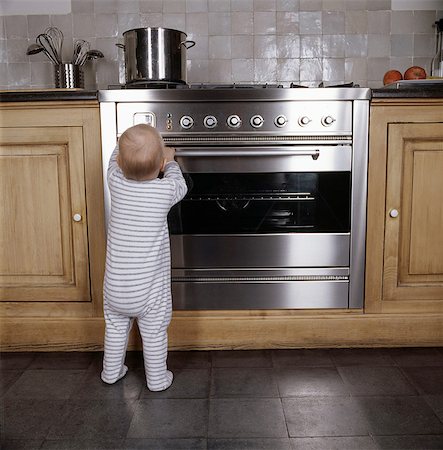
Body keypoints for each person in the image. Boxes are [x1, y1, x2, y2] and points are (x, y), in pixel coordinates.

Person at [101, 123, 187, 391]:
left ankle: (110, 373)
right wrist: (171, 160)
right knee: (153, 333)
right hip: (149, 291)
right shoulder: (164, 191)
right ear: (159, 165)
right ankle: (157, 379)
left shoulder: (116, 182)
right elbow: (180, 184)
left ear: (121, 163)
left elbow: (113, 163)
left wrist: (120, 143)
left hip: (115, 287)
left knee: (115, 330)